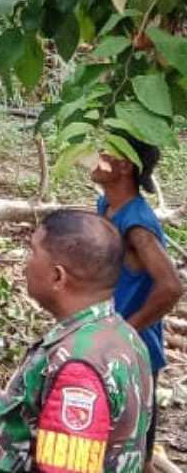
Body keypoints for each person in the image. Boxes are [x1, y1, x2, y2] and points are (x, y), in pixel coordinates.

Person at [0, 210, 154, 472]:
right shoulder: (123, 336)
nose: (26, 264)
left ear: (58, 276)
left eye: (33, 253)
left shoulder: (77, 366)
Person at [92, 136, 183, 469]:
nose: (98, 155)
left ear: (124, 166)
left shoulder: (137, 225)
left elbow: (171, 286)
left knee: (135, 451)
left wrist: (125, 331)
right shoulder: (107, 207)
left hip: (135, 353)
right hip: (108, 345)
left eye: (107, 152)